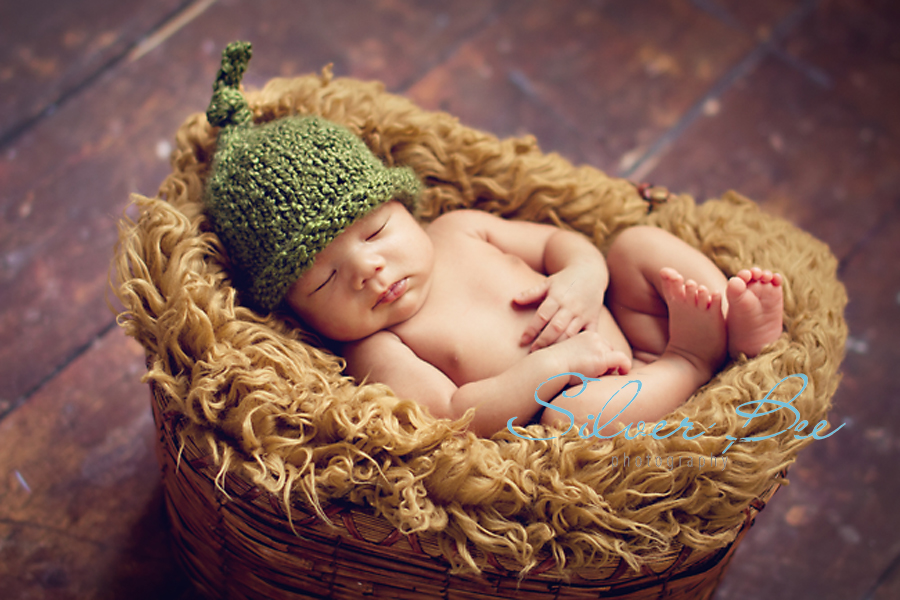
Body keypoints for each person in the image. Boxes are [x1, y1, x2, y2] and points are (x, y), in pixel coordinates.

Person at [202, 42, 784, 438]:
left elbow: (564, 242)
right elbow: (455, 415)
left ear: (404, 206)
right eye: (324, 278)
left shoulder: (458, 229)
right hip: (606, 396)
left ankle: (735, 315)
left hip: (628, 326)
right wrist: (554, 365)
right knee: (568, 420)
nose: (370, 271)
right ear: (293, 308)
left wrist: (583, 279)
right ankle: (694, 360)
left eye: (376, 230)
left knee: (634, 244)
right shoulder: (377, 350)